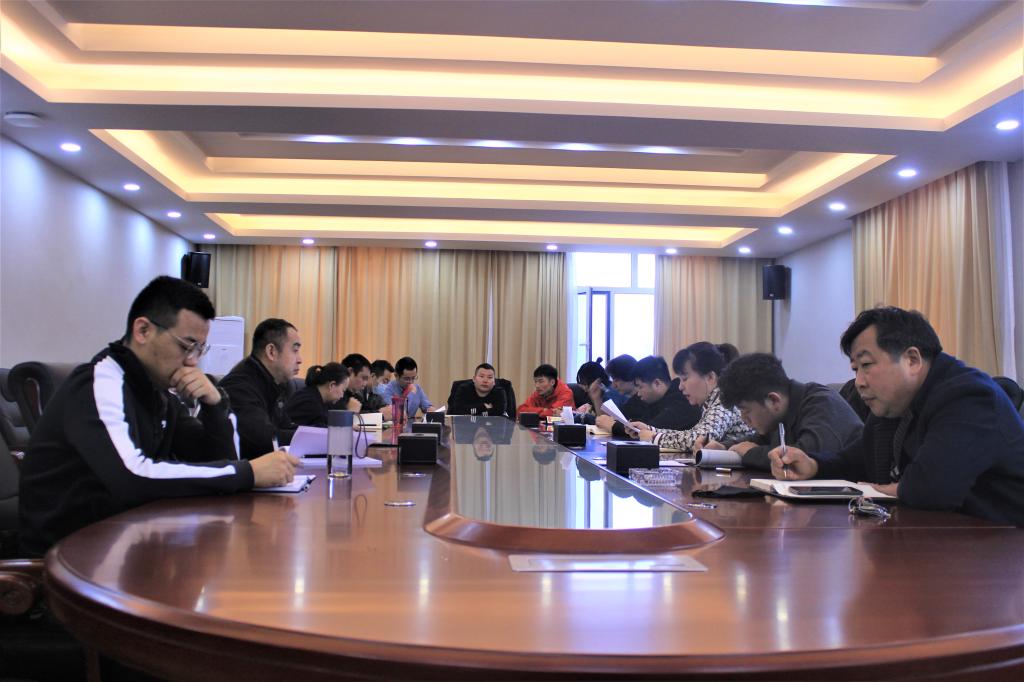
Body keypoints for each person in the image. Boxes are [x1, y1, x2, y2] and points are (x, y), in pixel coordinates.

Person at [18, 277, 298, 556]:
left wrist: (214, 405)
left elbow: (215, 459)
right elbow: (132, 476)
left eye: (199, 349)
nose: (193, 361)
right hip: (67, 556)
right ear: (143, 330)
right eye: (187, 346)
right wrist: (247, 473)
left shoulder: (158, 392)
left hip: (127, 542)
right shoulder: (99, 382)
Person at [768, 307, 1024, 526]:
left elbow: (932, 488)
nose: (859, 382)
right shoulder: (894, 405)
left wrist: (903, 487)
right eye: (856, 369)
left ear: (912, 360)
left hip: (1003, 547)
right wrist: (813, 465)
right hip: (941, 537)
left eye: (866, 365)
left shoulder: (969, 397)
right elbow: (857, 461)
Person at [710, 353, 863, 471]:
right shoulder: (781, 413)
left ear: (773, 400)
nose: (744, 419)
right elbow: (758, 440)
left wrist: (751, 453)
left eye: (746, 411)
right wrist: (723, 447)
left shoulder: (822, 403)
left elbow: (804, 457)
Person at [631, 342, 755, 455]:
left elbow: (700, 438)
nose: (680, 387)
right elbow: (692, 433)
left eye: (684, 379)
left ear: (710, 377)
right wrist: (650, 429)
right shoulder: (712, 400)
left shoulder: (724, 400)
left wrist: (654, 437)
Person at [219, 318, 302, 459]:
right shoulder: (239, 386)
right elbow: (265, 440)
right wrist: (321, 440)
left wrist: (321, 434)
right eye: (295, 350)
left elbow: (285, 426)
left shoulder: (275, 384)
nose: (300, 359)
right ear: (271, 351)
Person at [607, 356, 699, 439]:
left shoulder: (681, 399)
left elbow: (652, 428)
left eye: (640, 387)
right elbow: (644, 424)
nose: (638, 394)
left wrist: (613, 426)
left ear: (657, 383)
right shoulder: (656, 401)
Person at [286, 362, 350, 427]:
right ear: (332, 385)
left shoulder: (322, 400)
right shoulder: (309, 402)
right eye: (343, 390)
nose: (342, 396)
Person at [593, 354, 647, 432]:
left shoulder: (642, 402)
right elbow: (606, 422)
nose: (613, 385)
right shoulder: (630, 403)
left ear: (629, 376)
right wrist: (596, 398)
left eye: (617, 380)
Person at [340, 353, 391, 419]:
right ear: (350, 372)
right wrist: (380, 415)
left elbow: (365, 410)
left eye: (367, 379)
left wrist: (385, 411)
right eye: (364, 378)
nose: (365, 383)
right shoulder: (337, 394)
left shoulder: (355, 395)